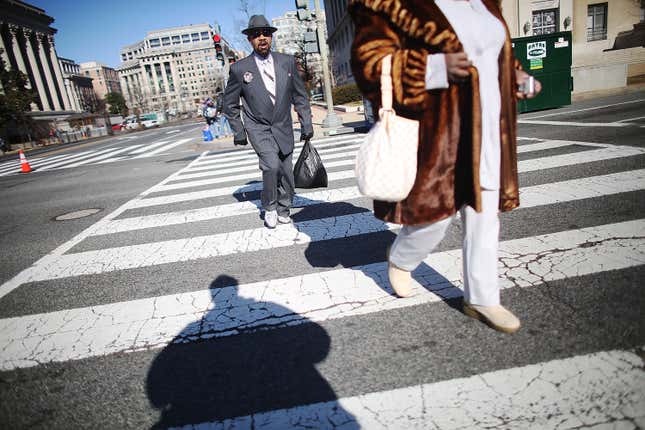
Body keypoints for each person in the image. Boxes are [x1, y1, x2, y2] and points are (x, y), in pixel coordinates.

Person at [349, 0, 541, 333]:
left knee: (485, 215)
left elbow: (492, 55)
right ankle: (402, 257)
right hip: (439, 135)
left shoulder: (484, 3)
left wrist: (515, 77)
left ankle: (482, 299)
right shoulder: (391, 4)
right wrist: (434, 68)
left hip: (489, 129)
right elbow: (368, 64)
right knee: (433, 219)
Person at [223, 15, 313, 229]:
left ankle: (284, 207)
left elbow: (300, 96)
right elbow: (229, 103)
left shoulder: (287, 62)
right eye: (256, 35)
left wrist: (306, 123)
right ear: (250, 40)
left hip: (283, 126)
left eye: (265, 34)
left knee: (287, 173)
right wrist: (239, 131)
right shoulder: (239, 69)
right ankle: (270, 207)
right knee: (271, 166)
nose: (261, 38)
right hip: (258, 127)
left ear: (271, 36)